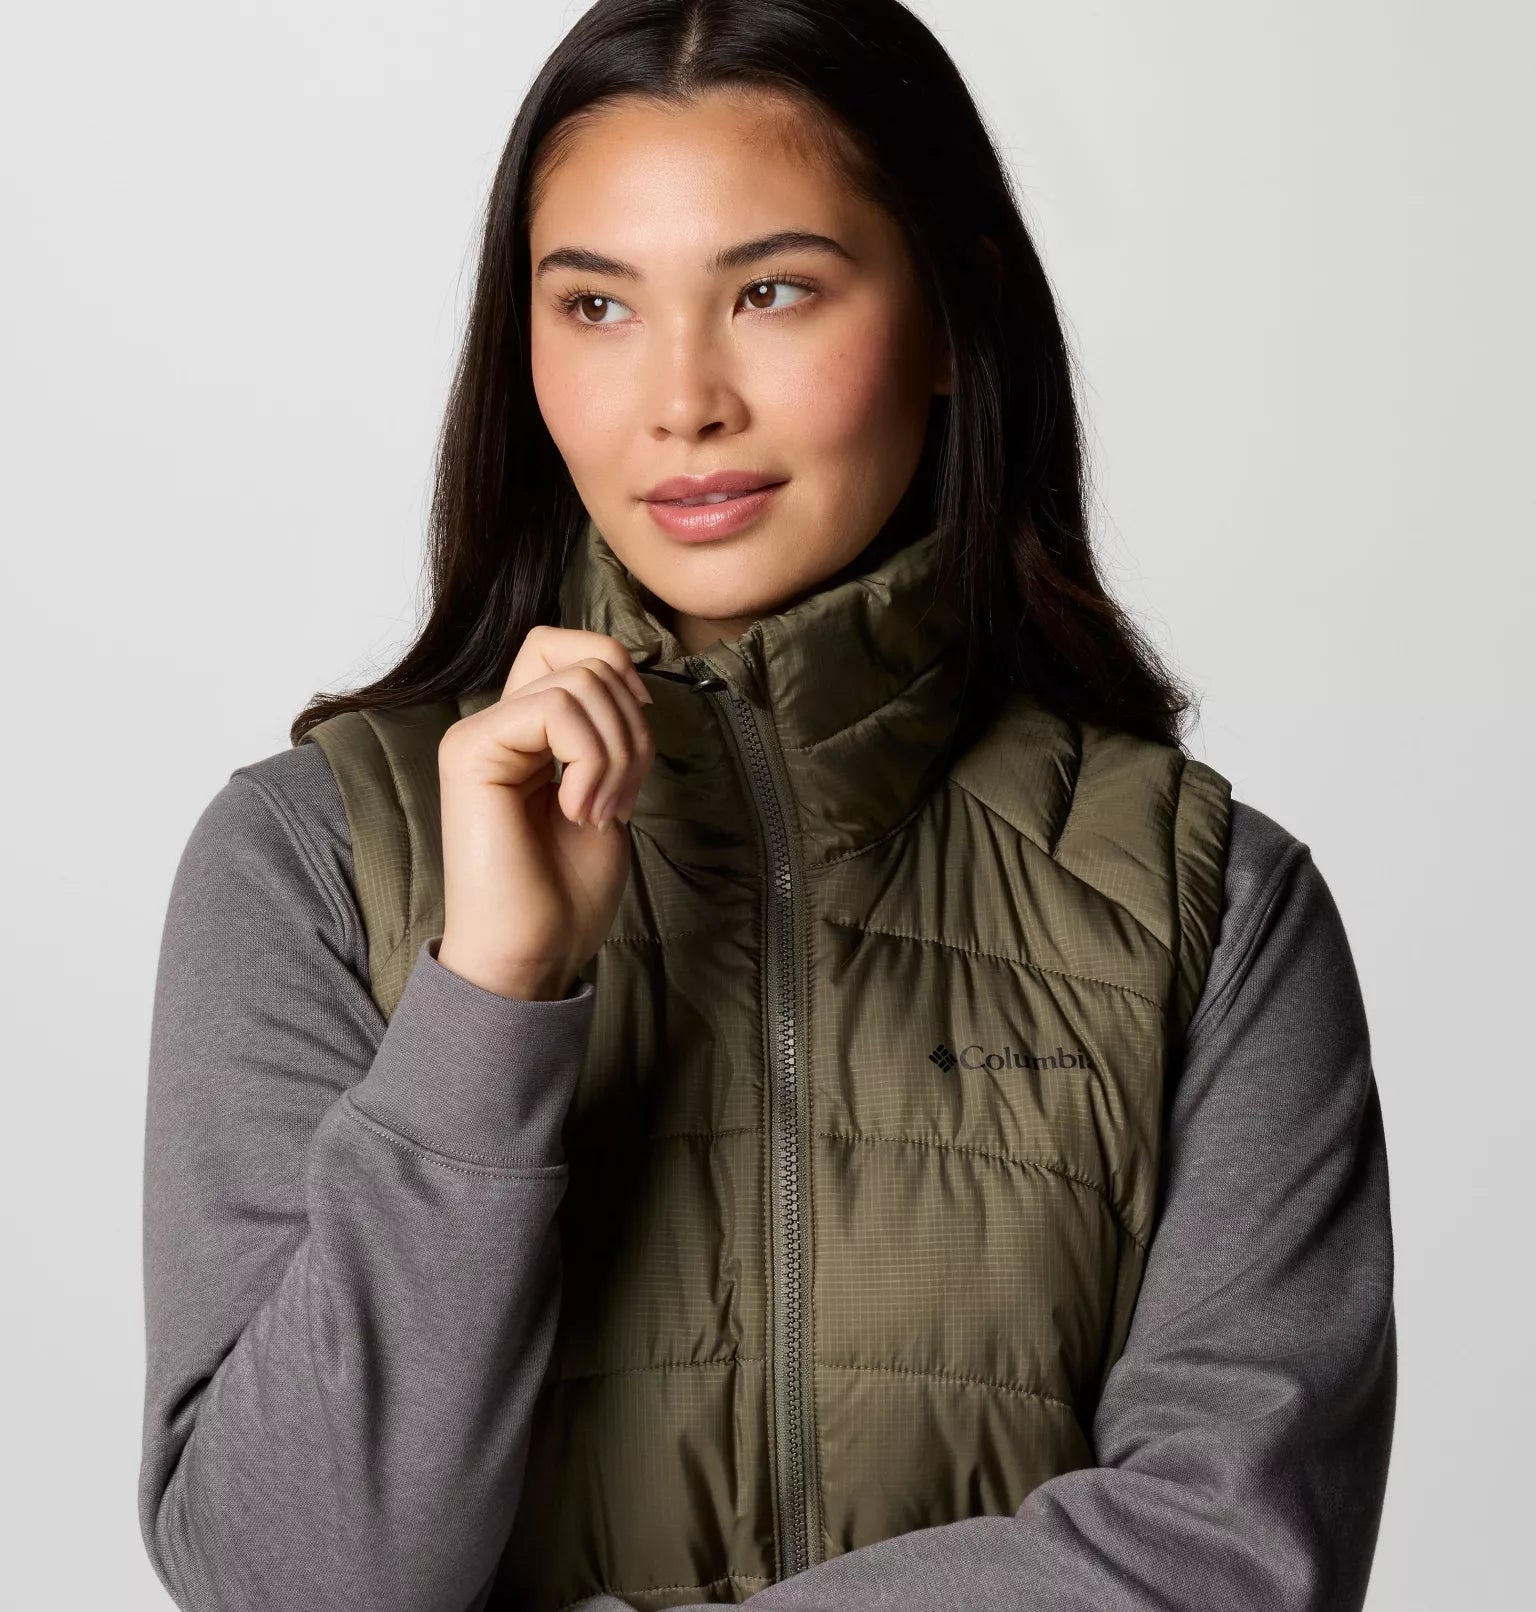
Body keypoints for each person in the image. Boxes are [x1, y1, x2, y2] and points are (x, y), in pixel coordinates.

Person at [137, 2, 1396, 1609]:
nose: (683, 400)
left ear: (952, 320)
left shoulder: (1208, 901)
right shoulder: (307, 861)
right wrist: (490, 1003)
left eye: (774, 290)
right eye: (596, 305)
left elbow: (1236, 1558)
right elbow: (288, 1581)